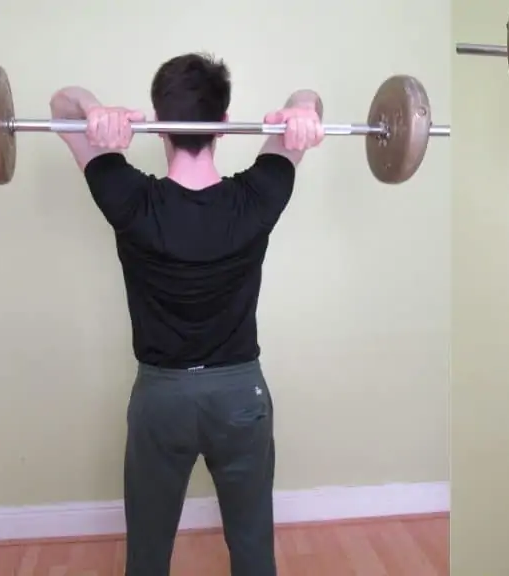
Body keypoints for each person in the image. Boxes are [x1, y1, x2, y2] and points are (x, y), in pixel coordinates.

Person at [49, 53, 325, 576]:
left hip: (162, 401)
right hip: (240, 398)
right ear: (223, 125)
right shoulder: (258, 197)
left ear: (159, 126)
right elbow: (302, 114)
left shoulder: (129, 198)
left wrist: (92, 110)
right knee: (252, 551)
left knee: (147, 556)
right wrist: (303, 109)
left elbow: (59, 104)